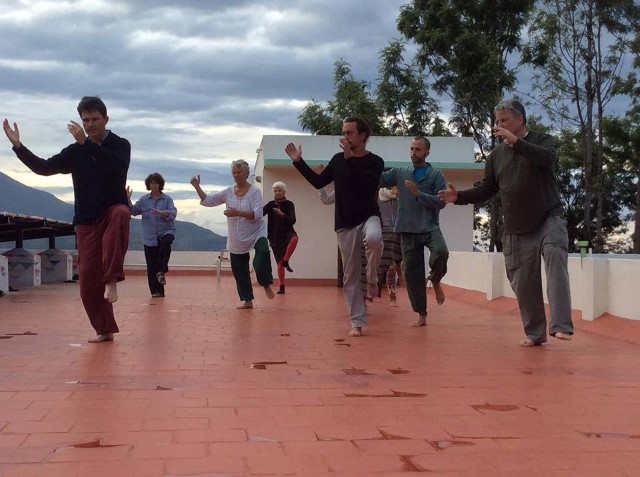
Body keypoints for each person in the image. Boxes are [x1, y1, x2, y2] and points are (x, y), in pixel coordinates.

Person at [438, 99, 573, 347]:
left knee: (555, 254)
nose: (498, 126)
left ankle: (561, 325)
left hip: (548, 217)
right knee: (523, 282)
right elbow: (487, 189)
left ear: (520, 120)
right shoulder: (496, 156)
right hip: (515, 225)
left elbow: (548, 159)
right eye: (497, 122)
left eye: (504, 121)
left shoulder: (542, 140)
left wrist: (517, 143)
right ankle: (535, 333)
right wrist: (459, 197)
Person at [3, 96, 131, 343]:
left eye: (95, 119)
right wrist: (18, 146)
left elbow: (115, 168)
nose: (90, 124)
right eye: (86, 120)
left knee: (121, 213)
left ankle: (112, 279)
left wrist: (87, 144)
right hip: (86, 221)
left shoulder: (119, 144)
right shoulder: (75, 151)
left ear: (106, 119)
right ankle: (104, 330)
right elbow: (44, 167)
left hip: (110, 212)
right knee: (87, 284)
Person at [285, 117, 384, 337]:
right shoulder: (338, 160)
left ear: (362, 136)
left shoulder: (375, 162)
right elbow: (319, 182)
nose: (345, 137)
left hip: (368, 216)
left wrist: (350, 159)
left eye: (349, 133)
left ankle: (373, 279)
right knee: (350, 273)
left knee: (375, 239)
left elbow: (366, 187)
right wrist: (298, 162)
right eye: (344, 132)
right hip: (345, 222)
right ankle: (357, 322)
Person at [380, 136, 449, 326]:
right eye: (411, 149)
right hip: (407, 229)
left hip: (429, 226)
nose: (413, 153)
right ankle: (422, 314)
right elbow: (378, 179)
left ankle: (435, 279)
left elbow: (441, 203)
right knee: (412, 273)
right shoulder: (401, 172)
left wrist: (419, 194)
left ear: (427, 152)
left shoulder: (436, 175)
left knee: (441, 251)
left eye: (418, 149)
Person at [190, 160, 274, 309]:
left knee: (262, 253)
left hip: (256, 232)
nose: (236, 176)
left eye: (238, 172)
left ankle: (265, 283)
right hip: (236, 235)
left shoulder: (255, 192)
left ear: (246, 174)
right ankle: (247, 300)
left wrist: (237, 213)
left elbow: (258, 214)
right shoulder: (228, 191)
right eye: (233, 173)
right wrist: (197, 187)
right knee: (239, 271)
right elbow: (209, 200)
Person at [128, 173, 177, 298]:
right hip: (150, 237)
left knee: (166, 243)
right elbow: (133, 211)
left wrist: (163, 213)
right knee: (151, 265)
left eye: (156, 183)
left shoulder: (167, 199)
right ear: (148, 185)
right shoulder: (144, 200)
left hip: (166, 231)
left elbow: (173, 213)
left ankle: (161, 270)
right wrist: (127, 199)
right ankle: (157, 291)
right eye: (151, 183)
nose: (153, 185)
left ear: (160, 184)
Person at [263, 181, 298, 295]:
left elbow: (293, 220)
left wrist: (282, 214)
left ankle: (286, 261)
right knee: (279, 263)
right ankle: (282, 286)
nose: (277, 193)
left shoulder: (289, 204)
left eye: (280, 191)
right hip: (275, 237)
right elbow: (260, 213)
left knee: (294, 239)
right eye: (275, 191)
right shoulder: (270, 204)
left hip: (287, 232)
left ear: (284, 192)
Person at [377, 185, 403, 305]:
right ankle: (372, 291)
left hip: (398, 233)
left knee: (392, 266)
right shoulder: (379, 195)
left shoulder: (401, 198)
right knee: (380, 265)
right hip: (384, 233)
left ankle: (392, 296)